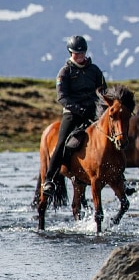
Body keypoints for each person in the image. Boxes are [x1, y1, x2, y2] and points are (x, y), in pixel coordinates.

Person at [41, 35, 107, 194]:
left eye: (82, 53)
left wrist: (102, 108)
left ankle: (119, 176)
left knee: (111, 137)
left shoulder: (95, 70)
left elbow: (103, 91)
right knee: (61, 142)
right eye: (76, 53)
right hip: (72, 114)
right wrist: (78, 109)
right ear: (70, 53)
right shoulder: (65, 72)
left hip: (93, 112)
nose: (79, 56)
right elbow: (61, 97)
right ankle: (49, 179)